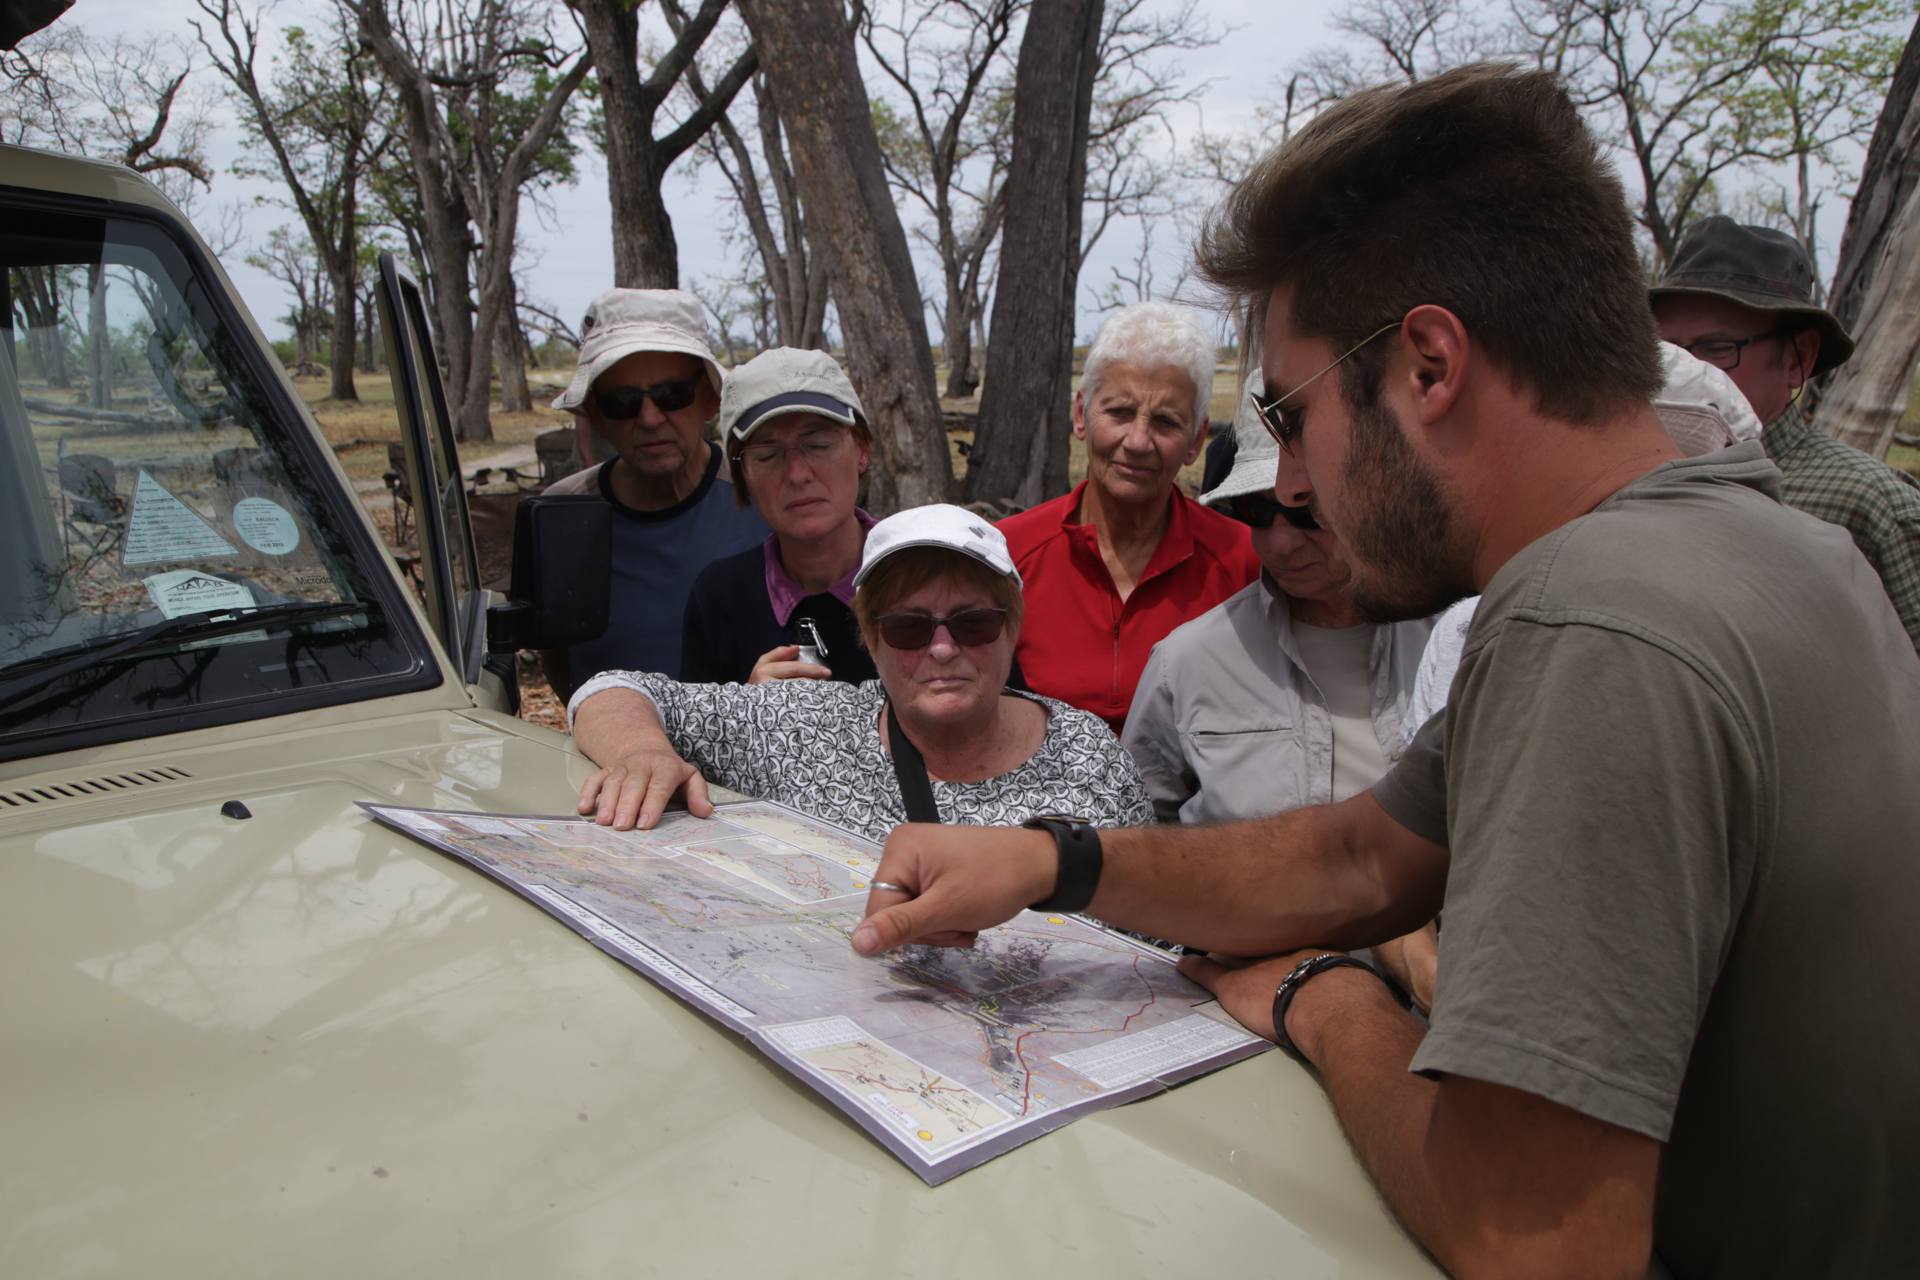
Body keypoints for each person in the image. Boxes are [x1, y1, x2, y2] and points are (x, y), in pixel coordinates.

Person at [850, 64, 1920, 1279]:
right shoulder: (1771, 540)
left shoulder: (1596, 625)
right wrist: (1053, 858)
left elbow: (1538, 1241)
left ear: (1427, 366)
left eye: (1293, 413)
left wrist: (1329, 1002)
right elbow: (1366, 854)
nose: (1291, 482)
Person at [569, 504, 1152, 842]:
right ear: (870, 639)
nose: (943, 649)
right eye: (909, 628)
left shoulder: (1087, 758)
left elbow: (1150, 940)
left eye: (973, 623)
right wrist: (642, 753)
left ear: (1013, 628)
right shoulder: (805, 728)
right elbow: (612, 688)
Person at [1122, 370, 1437, 825]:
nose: (1280, 541)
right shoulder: (1187, 663)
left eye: (1309, 510)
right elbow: (1137, 836)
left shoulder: (1457, 641)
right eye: (1256, 510)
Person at [1652, 216, 1920, 652]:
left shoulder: (1871, 506)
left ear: (1799, 359)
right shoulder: (1629, 476)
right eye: (1666, 349)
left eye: (1717, 348)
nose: (1686, 367)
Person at [996, 301, 1260, 734]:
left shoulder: (1243, 560)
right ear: (1081, 414)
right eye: (1119, 412)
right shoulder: (1004, 555)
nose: (1138, 441)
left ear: (1196, 441)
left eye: (1165, 422)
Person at [539, 289, 770, 696]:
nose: (649, 418)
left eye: (671, 395)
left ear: (711, 399)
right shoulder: (562, 515)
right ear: (596, 415)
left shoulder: (763, 497)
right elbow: (556, 653)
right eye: (622, 401)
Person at [678, 348, 879, 687]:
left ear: (860, 450)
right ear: (742, 477)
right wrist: (746, 710)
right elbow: (697, 735)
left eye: (819, 445)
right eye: (767, 455)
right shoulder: (720, 596)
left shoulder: (927, 575)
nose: (798, 474)